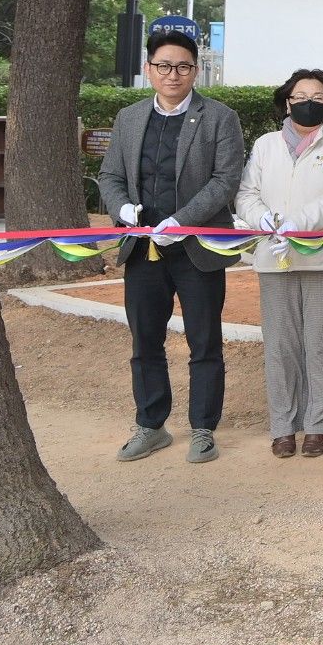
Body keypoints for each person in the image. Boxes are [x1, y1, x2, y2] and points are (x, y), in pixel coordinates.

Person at [97, 30, 245, 464]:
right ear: (148, 69)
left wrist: (182, 221)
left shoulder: (219, 117)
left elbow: (225, 180)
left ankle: (203, 428)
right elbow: (110, 176)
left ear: (196, 71)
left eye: (183, 66)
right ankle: (151, 424)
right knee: (145, 341)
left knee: (204, 341)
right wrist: (122, 208)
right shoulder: (129, 118)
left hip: (197, 248)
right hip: (142, 249)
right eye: (163, 65)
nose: (173, 73)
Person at [234, 69, 323, 459]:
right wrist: (265, 221)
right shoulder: (266, 145)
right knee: (280, 344)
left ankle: (319, 424)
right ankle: (283, 425)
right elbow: (246, 194)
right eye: (301, 94)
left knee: (321, 344)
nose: (309, 102)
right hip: (274, 253)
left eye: (319, 97)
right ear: (287, 100)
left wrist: (297, 223)